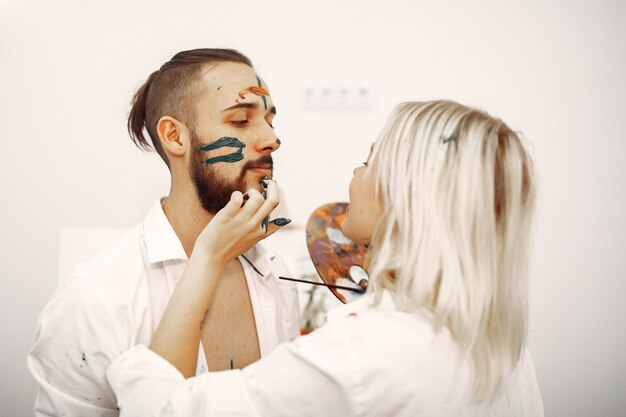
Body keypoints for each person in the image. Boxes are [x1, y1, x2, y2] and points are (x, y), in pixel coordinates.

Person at [106, 100, 544, 416]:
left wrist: (206, 256)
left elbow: (162, 411)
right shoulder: (499, 340)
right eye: (240, 119)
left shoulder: (361, 352)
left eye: (369, 162)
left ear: (408, 197)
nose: (271, 140)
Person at [27, 48, 300, 417]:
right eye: (239, 120)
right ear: (174, 136)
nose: (271, 139)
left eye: (270, 120)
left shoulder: (276, 279)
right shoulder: (94, 301)